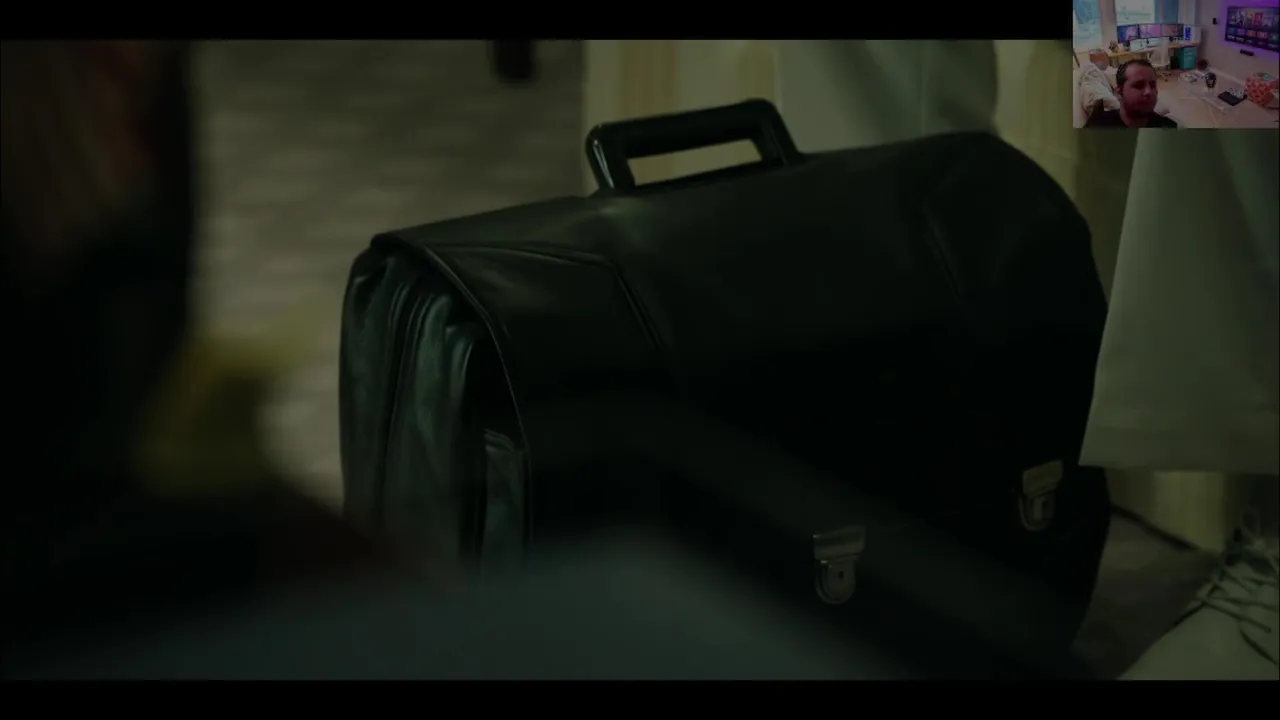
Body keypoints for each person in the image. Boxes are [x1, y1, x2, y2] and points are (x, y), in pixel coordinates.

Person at [1085, 60, 1178, 129]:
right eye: (1138, 85)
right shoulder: (1097, 126)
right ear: (1119, 92)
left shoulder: (1169, 127)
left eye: (1152, 85)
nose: (1149, 91)